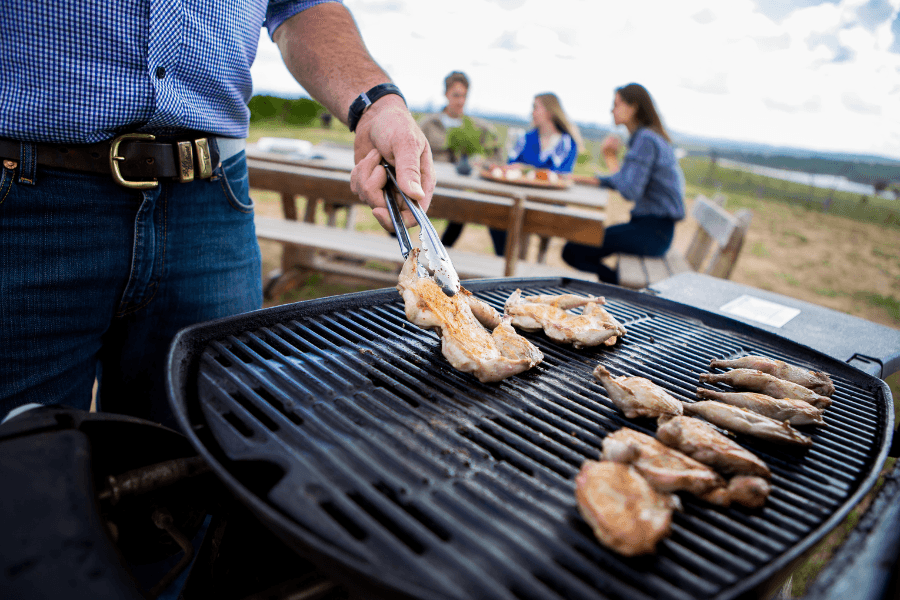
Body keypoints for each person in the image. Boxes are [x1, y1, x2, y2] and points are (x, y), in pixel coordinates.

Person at [0, 0, 435, 428]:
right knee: (25, 457)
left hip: (212, 204)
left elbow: (302, 6)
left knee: (207, 447)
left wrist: (378, 104)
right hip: (25, 197)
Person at [562, 83, 685, 284]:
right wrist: (588, 179)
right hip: (654, 231)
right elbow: (625, 180)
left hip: (652, 234)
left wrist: (610, 158)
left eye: (616, 104)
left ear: (633, 107)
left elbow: (629, 190)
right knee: (577, 248)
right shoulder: (648, 137)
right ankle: (615, 285)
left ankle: (617, 287)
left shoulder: (645, 139)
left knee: (573, 250)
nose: (612, 110)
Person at [489, 92, 583, 255]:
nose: (532, 113)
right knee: (494, 214)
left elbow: (560, 175)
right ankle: (508, 258)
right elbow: (511, 167)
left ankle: (525, 258)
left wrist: (525, 169)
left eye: (535, 108)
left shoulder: (566, 142)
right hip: (521, 198)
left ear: (549, 112)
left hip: (550, 202)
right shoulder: (526, 138)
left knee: (527, 216)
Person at [418, 71, 501, 246]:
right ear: (446, 94)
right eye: (456, 95)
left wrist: (480, 162)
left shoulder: (476, 127)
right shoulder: (428, 124)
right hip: (429, 187)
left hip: (457, 190)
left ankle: (440, 253)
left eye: (464, 96)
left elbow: (496, 155)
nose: (460, 101)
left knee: (466, 209)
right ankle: (402, 252)